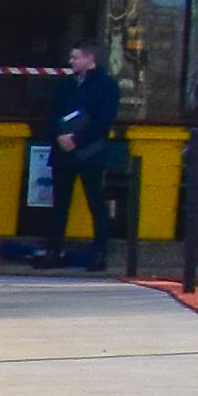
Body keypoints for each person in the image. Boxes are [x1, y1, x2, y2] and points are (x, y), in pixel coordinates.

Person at [50, 37, 134, 272]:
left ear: (90, 59)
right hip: (63, 152)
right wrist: (60, 136)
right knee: (59, 204)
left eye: (76, 57)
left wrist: (77, 139)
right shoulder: (65, 84)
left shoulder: (107, 86)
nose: (71, 61)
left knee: (96, 202)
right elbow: (53, 112)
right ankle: (54, 250)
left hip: (91, 153)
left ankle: (99, 253)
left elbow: (104, 120)